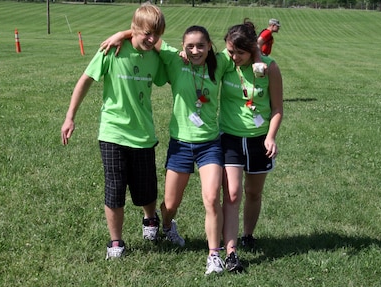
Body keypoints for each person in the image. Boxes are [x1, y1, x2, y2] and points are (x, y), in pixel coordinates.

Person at [100, 25, 246, 275]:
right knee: (169, 204)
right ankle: (167, 225)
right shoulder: (173, 59)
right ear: (182, 47)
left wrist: (262, 62)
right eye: (189, 46)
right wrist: (121, 35)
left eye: (201, 45)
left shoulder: (220, 62)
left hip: (210, 144)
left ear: (210, 45)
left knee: (211, 198)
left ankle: (214, 255)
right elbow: (147, 34)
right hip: (180, 144)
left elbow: (243, 49)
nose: (195, 50)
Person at [60, 2, 167, 260]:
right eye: (146, 33)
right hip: (112, 133)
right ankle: (116, 242)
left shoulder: (156, 56)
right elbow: (85, 80)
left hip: (143, 134)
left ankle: (150, 220)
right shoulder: (112, 51)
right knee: (115, 188)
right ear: (134, 29)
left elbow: (168, 53)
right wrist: (70, 116)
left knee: (146, 189)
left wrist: (127, 33)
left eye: (156, 34)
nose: (151, 39)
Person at [220, 19, 283, 272]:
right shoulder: (225, 62)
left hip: (259, 140)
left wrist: (271, 136)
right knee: (233, 193)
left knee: (253, 193)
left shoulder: (269, 68)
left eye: (240, 53)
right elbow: (200, 54)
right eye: (231, 51)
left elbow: (277, 108)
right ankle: (231, 251)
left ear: (252, 50)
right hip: (231, 137)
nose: (234, 57)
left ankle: (248, 234)